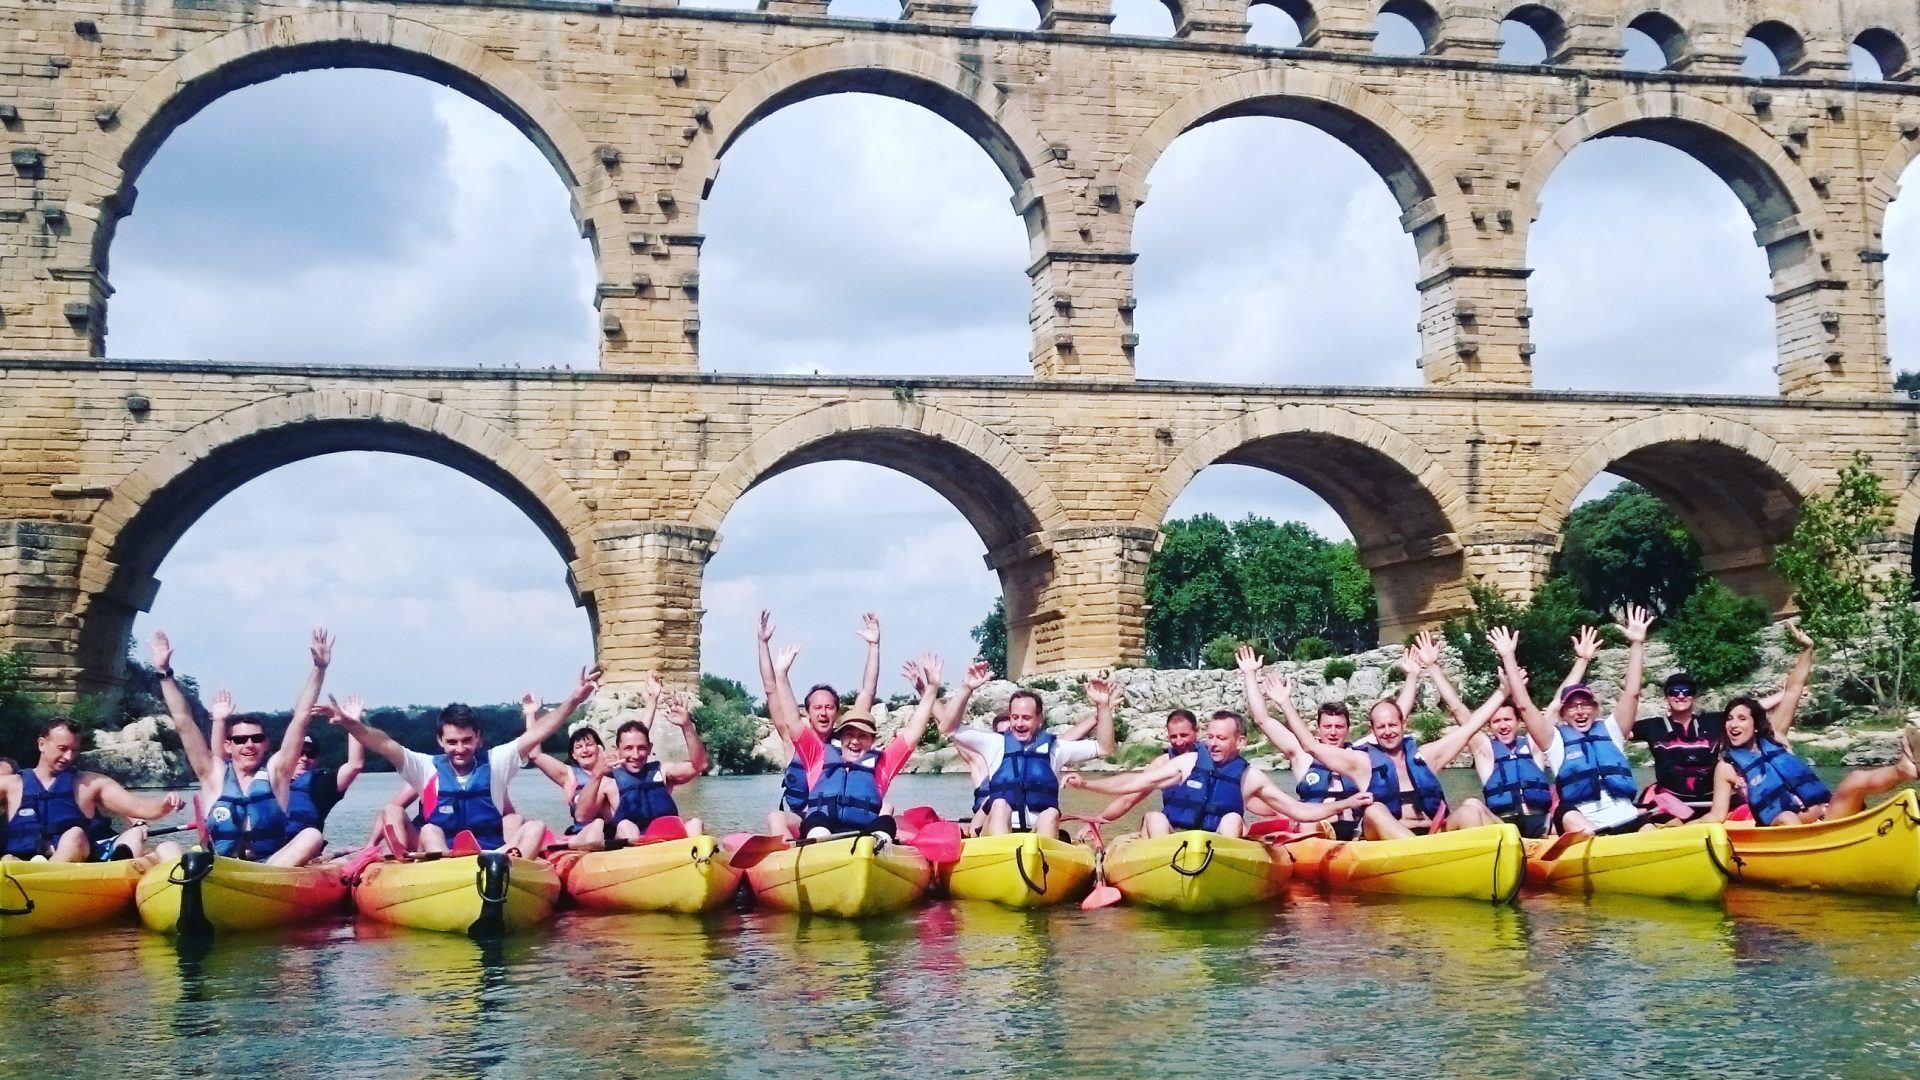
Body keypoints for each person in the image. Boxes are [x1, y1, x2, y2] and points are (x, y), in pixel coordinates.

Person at [335, 665, 600, 854]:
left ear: (478, 739)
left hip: (493, 856)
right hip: (438, 856)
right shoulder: (425, 767)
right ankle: (433, 876)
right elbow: (382, 743)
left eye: (466, 740)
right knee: (422, 826)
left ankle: (512, 869)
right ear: (440, 741)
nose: (460, 748)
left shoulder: (496, 762)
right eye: (452, 742)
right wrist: (353, 726)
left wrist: (574, 699)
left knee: (536, 827)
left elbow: (541, 731)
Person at [1274, 637, 1495, 839]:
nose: (1388, 731)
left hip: (1432, 833)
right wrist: (1285, 702)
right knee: (1374, 810)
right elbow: (1311, 746)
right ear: (1373, 729)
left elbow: (1471, 727)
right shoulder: (1362, 762)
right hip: (1389, 842)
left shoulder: (1425, 756)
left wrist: (1503, 691)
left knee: (1471, 807)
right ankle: (1422, 858)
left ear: (1404, 724)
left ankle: (1494, 860)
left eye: (1392, 725)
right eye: (1381, 727)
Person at [1698, 633, 1920, 826]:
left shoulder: (1777, 738)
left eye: (1741, 718)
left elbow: (1793, 690)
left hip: (1826, 818)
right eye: (1729, 719)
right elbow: (1717, 815)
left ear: (1756, 725)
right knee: (1786, 817)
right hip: (1783, 829)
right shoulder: (1726, 768)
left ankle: (1904, 769)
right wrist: (1674, 828)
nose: (1733, 724)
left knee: (1854, 779)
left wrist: (1807, 648)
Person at [151, 629, 331, 866]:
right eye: (240, 740)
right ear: (228, 745)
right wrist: (165, 673)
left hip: (269, 867)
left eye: (256, 738)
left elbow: (301, 717)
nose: (249, 745)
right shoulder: (212, 773)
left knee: (312, 836)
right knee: (166, 847)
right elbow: (183, 721)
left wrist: (319, 669)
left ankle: (263, 886)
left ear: (265, 743)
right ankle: (192, 887)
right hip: (219, 870)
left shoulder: (278, 772)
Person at [1064, 711, 1374, 838]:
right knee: (1155, 818)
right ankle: (1163, 873)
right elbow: (1135, 784)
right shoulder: (1187, 763)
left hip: (1217, 847)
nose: (1212, 743)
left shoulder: (1250, 776)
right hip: (1173, 843)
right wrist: (1089, 785)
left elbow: (1300, 810)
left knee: (1232, 820)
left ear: (1240, 742)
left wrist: (1344, 804)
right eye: (1210, 737)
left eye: (1220, 738)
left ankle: (1219, 869)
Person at [1493, 606, 1654, 838]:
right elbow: (1524, 706)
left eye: (1585, 704)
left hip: (1627, 818)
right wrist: (1508, 656)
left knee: (1648, 827)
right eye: (1572, 706)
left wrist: (1637, 644)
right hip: (1586, 827)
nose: (1580, 711)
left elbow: (1632, 693)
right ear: (1563, 713)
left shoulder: (1612, 729)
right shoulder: (1554, 740)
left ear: (1595, 708)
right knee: (1566, 813)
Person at [1246, 641, 1422, 839]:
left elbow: (1396, 715)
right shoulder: (1302, 756)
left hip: (1358, 834)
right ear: (1318, 729)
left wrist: (1412, 675)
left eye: (1339, 727)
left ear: (1348, 729)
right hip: (1316, 836)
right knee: (1308, 825)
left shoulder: (1360, 753)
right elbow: (1263, 719)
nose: (1333, 732)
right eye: (1327, 727)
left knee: (1379, 813)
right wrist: (1250, 674)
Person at [943, 672, 1118, 838]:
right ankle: (1003, 856)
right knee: (999, 804)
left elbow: (1104, 748)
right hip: (997, 831)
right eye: (1015, 717)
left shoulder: (1056, 748)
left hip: (1037, 835)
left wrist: (1102, 706)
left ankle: (1041, 859)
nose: (1019, 723)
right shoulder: (994, 743)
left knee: (1051, 812)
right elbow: (948, 728)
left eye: (1026, 718)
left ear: (1039, 719)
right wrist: (967, 688)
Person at [759, 610, 881, 837]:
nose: (823, 713)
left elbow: (867, 691)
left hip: (838, 819)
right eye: (817, 708)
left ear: (837, 712)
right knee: (775, 817)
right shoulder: (792, 738)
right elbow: (771, 688)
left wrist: (874, 647)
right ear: (808, 712)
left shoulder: (848, 742)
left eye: (829, 707)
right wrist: (762, 643)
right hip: (802, 819)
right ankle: (788, 861)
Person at [794, 655, 943, 840]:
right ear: (840, 738)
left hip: (864, 838)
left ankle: (874, 853)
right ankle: (820, 851)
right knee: (815, 817)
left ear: (872, 740)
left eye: (862, 736)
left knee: (887, 821)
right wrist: (781, 673)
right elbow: (791, 721)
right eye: (849, 735)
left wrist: (932, 688)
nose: (855, 741)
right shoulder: (819, 757)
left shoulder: (883, 764)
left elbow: (912, 733)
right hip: (823, 834)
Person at [2, 717, 182, 862]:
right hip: (21, 864)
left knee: (75, 835)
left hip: (70, 866)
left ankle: (42, 881)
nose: (69, 756)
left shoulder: (91, 783)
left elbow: (140, 808)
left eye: (74, 750)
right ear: (42, 744)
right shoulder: (11, 784)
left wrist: (163, 806)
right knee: (8, 860)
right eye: (62, 749)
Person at [527, 677, 654, 848]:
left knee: (627, 825)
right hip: (584, 835)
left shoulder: (613, 765)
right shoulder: (568, 775)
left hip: (615, 834)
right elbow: (535, 755)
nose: (585, 750)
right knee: (596, 825)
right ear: (573, 753)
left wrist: (653, 700)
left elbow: (639, 733)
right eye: (579, 747)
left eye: (589, 745)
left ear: (599, 748)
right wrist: (530, 714)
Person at [574, 692, 709, 840]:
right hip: (632, 849)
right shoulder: (608, 782)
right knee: (626, 826)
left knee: (695, 823)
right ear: (617, 750)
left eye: (641, 748)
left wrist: (687, 726)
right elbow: (581, 817)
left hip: (668, 845)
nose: (636, 755)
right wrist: (595, 776)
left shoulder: (663, 772)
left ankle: (699, 860)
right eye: (628, 748)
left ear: (650, 748)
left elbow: (700, 765)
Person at [1463, 668, 1554, 838]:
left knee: (1568, 810)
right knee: (1470, 804)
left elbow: (1555, 707)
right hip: (1503, 826)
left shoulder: (1534, 744)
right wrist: (1433, 666)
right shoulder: (1486, 752)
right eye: (1496, 721)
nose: (1503, 725)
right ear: (1489, 727)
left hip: (1540, 823)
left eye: (1507, 719)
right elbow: (1458, 710)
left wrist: (1582, 660)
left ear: (1519, 722)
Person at [1086, 708, 1200, 827]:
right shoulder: (1162, 763)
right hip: (1173, 831)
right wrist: (1099, 819)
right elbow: (1128, 799)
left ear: (1197, 731)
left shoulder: (1213, 757)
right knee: (1153, 818)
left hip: (1208, 833)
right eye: (1173, 737)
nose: (1179, 742)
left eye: (1184, 735)